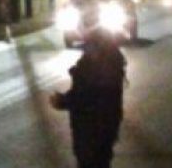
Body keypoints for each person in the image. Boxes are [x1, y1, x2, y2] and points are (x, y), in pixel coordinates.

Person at [50, 28, 126, 168]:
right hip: (94, 130)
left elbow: (90, 97)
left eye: (90, 45)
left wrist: (63, 101)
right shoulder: (93, 64)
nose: (87, 49)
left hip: (94, 130)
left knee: (93, 161)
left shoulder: (105, 68)